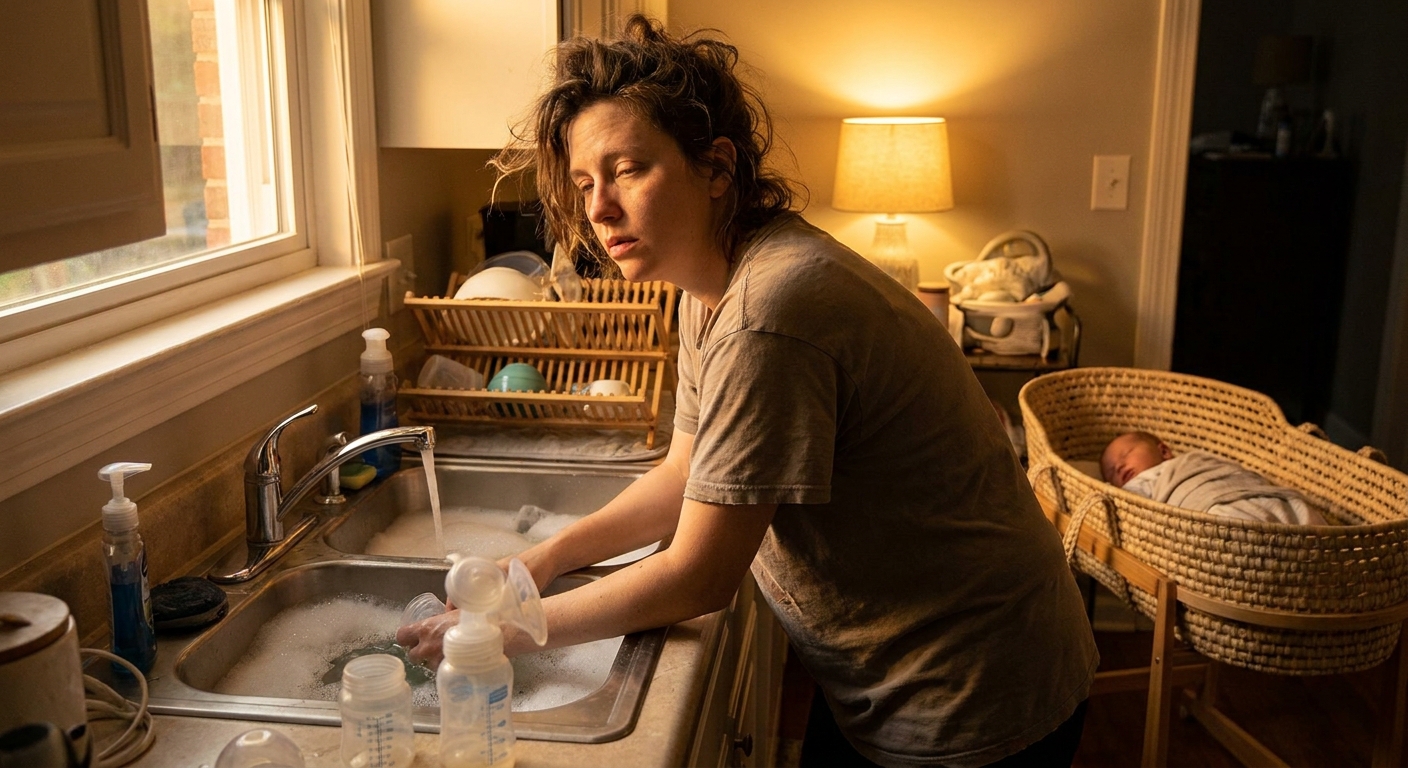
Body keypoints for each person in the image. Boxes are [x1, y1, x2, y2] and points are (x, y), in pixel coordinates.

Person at [398, 17, 1098, 767]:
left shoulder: (770, 313)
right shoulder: (714, 289)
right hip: (902, 674)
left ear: (716, 166)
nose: (599, 209)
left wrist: (499, 634)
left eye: (628, 168)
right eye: (582, 182)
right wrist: (542, 561)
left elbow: (698, 575)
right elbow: (681, 476)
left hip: (972, 686)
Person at [1100, 431, 1328, 525]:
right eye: (1111, 472)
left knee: (1295, 511)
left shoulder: (1193, 460)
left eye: (1126, 454)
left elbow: (1234, 473)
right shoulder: (1138, 485)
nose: (1119, 467)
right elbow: (1128, 503)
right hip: (1211, 507)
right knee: (1231, 524)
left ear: (1164, 451)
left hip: (1243, 490)